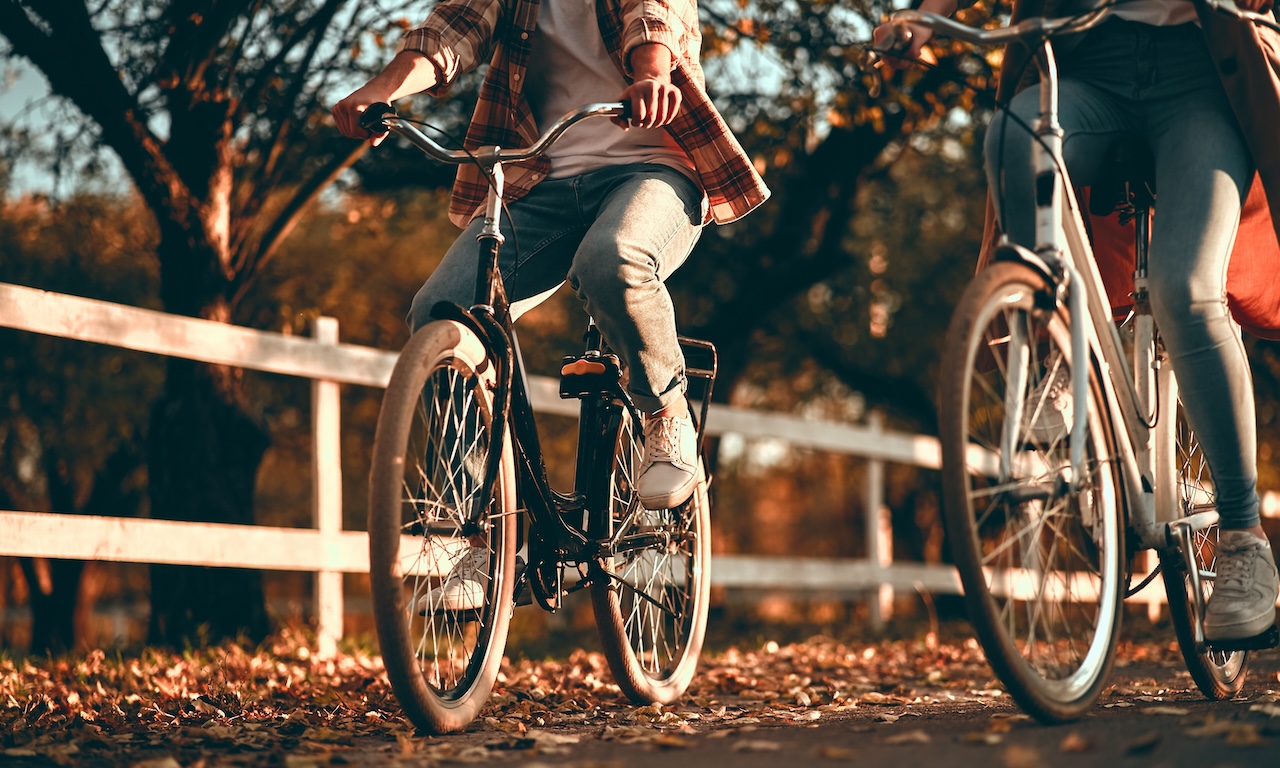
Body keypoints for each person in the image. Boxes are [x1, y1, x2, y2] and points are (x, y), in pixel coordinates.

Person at [334, 0, 768, 608]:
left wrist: (651, 75)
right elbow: (448, 34)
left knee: (611, 262)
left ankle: (666, 414)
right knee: (444, 308)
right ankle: (474, 542)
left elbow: (655, 16)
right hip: (541, 183)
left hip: (654, 169)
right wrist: (377, 92)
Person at [874, 0, 1279, 642]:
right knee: (1011, 136)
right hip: (1083, 62)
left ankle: (1242, 537)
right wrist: (924, 18)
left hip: (1201, 73)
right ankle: (1060, 355)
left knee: (1185, 287)